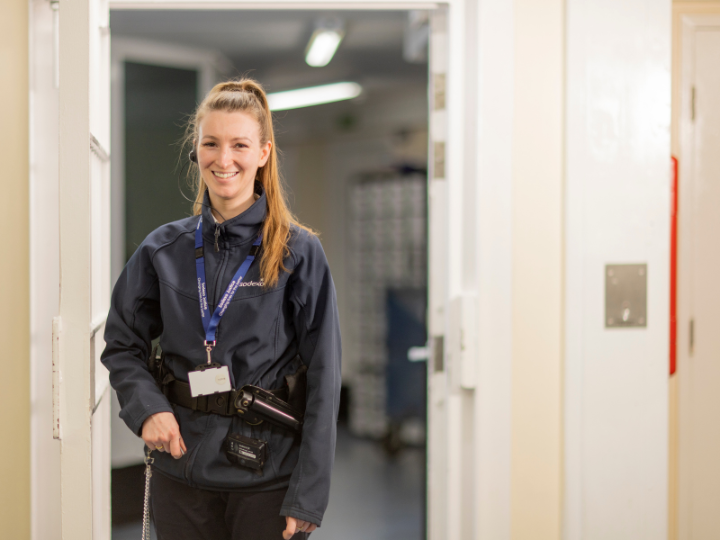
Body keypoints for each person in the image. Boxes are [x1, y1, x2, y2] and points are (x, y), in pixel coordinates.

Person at [101, 78, 341, 540]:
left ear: (263, 153)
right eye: (211, 143)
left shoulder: (297, 251)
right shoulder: (163, 249)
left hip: (266, 480)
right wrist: (147, 408)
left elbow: (325, 375)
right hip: (180, 471)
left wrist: (308, 494)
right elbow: (122, 342)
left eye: (239, 144)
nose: (224, 159)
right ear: (196, 150)